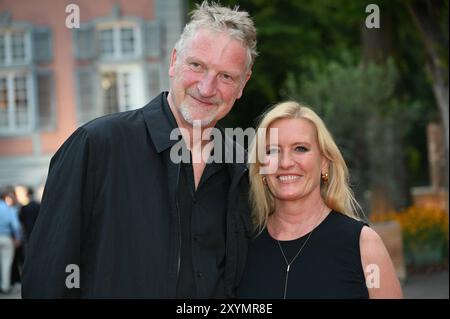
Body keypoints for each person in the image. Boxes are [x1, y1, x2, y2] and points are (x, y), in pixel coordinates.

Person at [22, 1, 256, 298]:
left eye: (226, 76)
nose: (207, 88)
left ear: (242, 84)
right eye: (197, 65)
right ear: (174, 61)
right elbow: (46, 279)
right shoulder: (96, 146)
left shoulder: (241, 168)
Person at [237, 101, 403, 299]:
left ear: (324, 162)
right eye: (272, 151)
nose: (285, 162)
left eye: (300, 148)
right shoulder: (242, 246)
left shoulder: (364, 244)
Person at [0, 188, 22, 293]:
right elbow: (16, 225)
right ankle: (5, 286)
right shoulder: (9, 209)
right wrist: (17, 238)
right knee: (6, 263)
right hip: (6, 238)